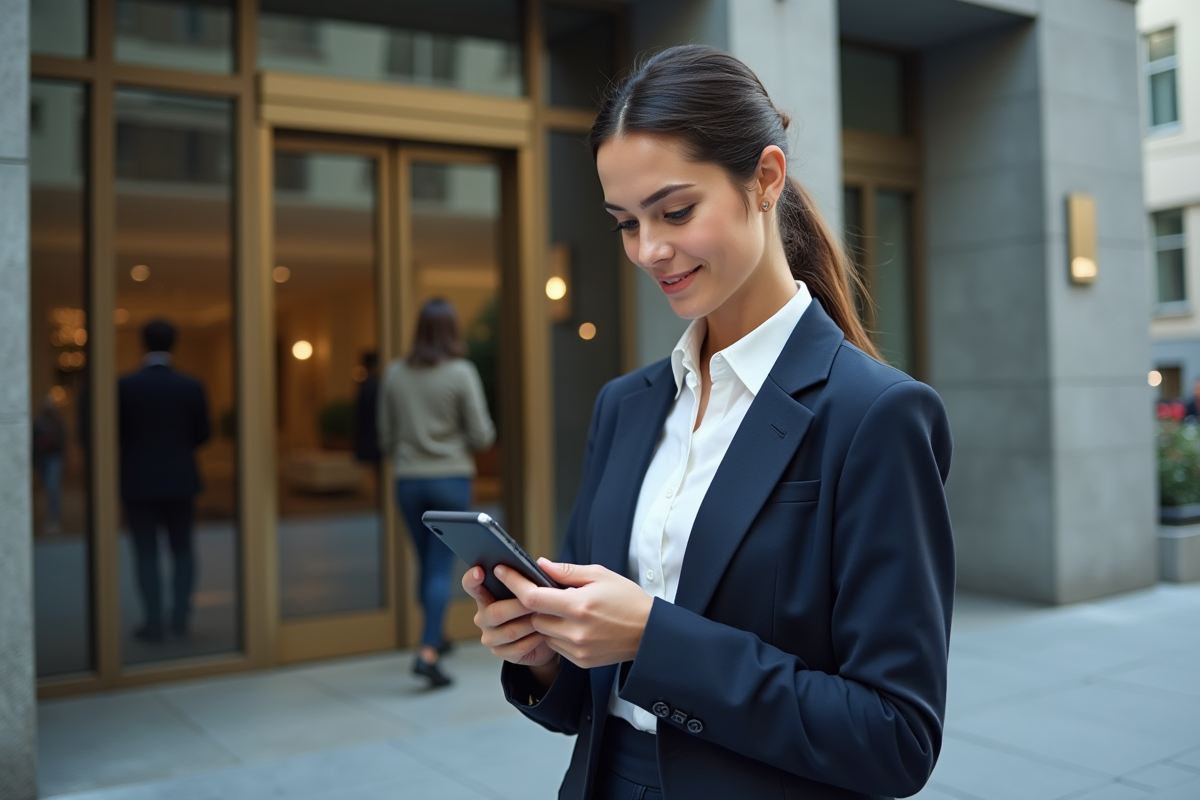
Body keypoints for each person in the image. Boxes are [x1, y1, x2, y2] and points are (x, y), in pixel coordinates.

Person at [464, 45, 954, 800]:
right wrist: (542, 650)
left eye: (676, 210)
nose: (650, 250)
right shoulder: (625, 406)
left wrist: (652, 638)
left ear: (765, 179)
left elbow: (895, 738)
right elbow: (580, 700)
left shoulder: (875, 415)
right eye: (626, 223)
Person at [378, 298, 496, 688]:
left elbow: (385, 434)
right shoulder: (461, 372)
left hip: (408, 481)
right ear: (451, 331)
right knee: (439, 567)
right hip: (450, 479)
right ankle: (428, 651)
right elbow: (482, 435)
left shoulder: (395, 372)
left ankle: (436, 635)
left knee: (426, 564)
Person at [119, 319, 211, 642]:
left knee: (146, 553)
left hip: (138, 479)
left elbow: (116, 434)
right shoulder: (190, 385)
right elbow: (202, 434)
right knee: (183, 549)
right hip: (180, 479)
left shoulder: (126, 386)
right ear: (175, 343)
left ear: (142, 343)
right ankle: (181, 619)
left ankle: (153, 623)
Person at [32, 394, 66, 535]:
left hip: (54, 458)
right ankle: (48, 518)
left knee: (52, 488)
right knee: (46, 489)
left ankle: (54, 519)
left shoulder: (57, 424)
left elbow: (62, 443)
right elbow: (34, 443)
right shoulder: (38, 424)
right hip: (42, 459)